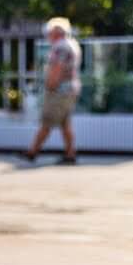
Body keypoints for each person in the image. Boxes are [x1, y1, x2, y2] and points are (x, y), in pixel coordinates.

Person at [23, 16, 81, 165]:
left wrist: (50, 85)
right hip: (70, 90)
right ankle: (70, 153)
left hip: (59, 91)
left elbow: (57, 69)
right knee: (65, 123)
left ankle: (32, 152)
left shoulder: (60, 47)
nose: (48, 35)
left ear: (56, 32)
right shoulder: (72, 44)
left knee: (47, 121)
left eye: (49, 32)